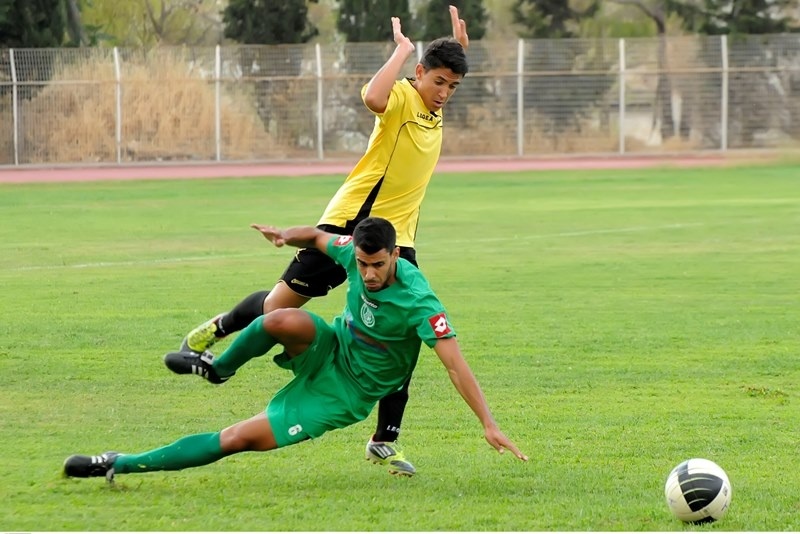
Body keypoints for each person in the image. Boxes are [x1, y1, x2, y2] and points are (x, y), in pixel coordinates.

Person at [176, 7, 470, 476]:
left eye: (452, 86)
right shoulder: (400, 98)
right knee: (277, 308)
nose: (444, 94)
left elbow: (445, 70)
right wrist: (402, 50)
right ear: (418, 74)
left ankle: (383, 439)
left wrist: (456, 50)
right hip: (350, 227)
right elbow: (373, 97)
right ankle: (220, 327)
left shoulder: (434, 101)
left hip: (398, 240)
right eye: (438, 82)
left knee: (403, 336)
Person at [63, 218, 527, 482]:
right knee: (279, 318)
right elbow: (321, 237)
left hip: (346, 393)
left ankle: (118, 463)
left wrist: (489, 423)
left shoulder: (421, 302)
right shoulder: (353, 253)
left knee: (236, 440)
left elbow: (455, 365)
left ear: (395, 256)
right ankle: (218, 368)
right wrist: (288, 235)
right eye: (362, 263)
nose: (366, 273)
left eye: (377, 265)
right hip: (333, 345)